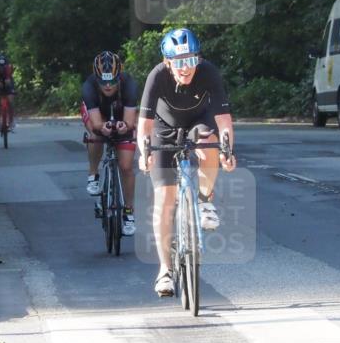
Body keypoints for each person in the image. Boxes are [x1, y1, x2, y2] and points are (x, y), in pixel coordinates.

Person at [138, 28, 236, 297]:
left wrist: (228, 151)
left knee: (209, 142)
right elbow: (144, 124)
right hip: (163, 128)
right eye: (179, 62)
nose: (186, 68)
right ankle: (165, 270)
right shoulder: (157, 75)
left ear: (198, 59)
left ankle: (204, 201)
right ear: (168, 62)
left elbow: (223, 120)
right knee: (164, 199)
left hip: (198, 122)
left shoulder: (208, 72)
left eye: (191, 60)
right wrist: (144, 153)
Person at [82, 51, 139, 236]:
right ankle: (93, 174)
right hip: (99, 113)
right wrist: (102, 127)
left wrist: (124, 126)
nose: (108, 86)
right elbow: (96, 123)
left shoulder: (129, 85)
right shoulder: (89, 86)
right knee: (95, 134)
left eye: (112, 81)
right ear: (96, 78)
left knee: (126, 166)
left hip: (122, 113)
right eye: (103, 81)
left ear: (119, 77)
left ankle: (128, 212)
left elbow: (129, 121)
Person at [0, 52, 16, 131]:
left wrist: (8, 82)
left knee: (11, 100)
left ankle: (11, 121)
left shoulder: (9, 67)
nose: (1, 68)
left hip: (8, 84)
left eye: (3, 66)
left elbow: (9, 78)